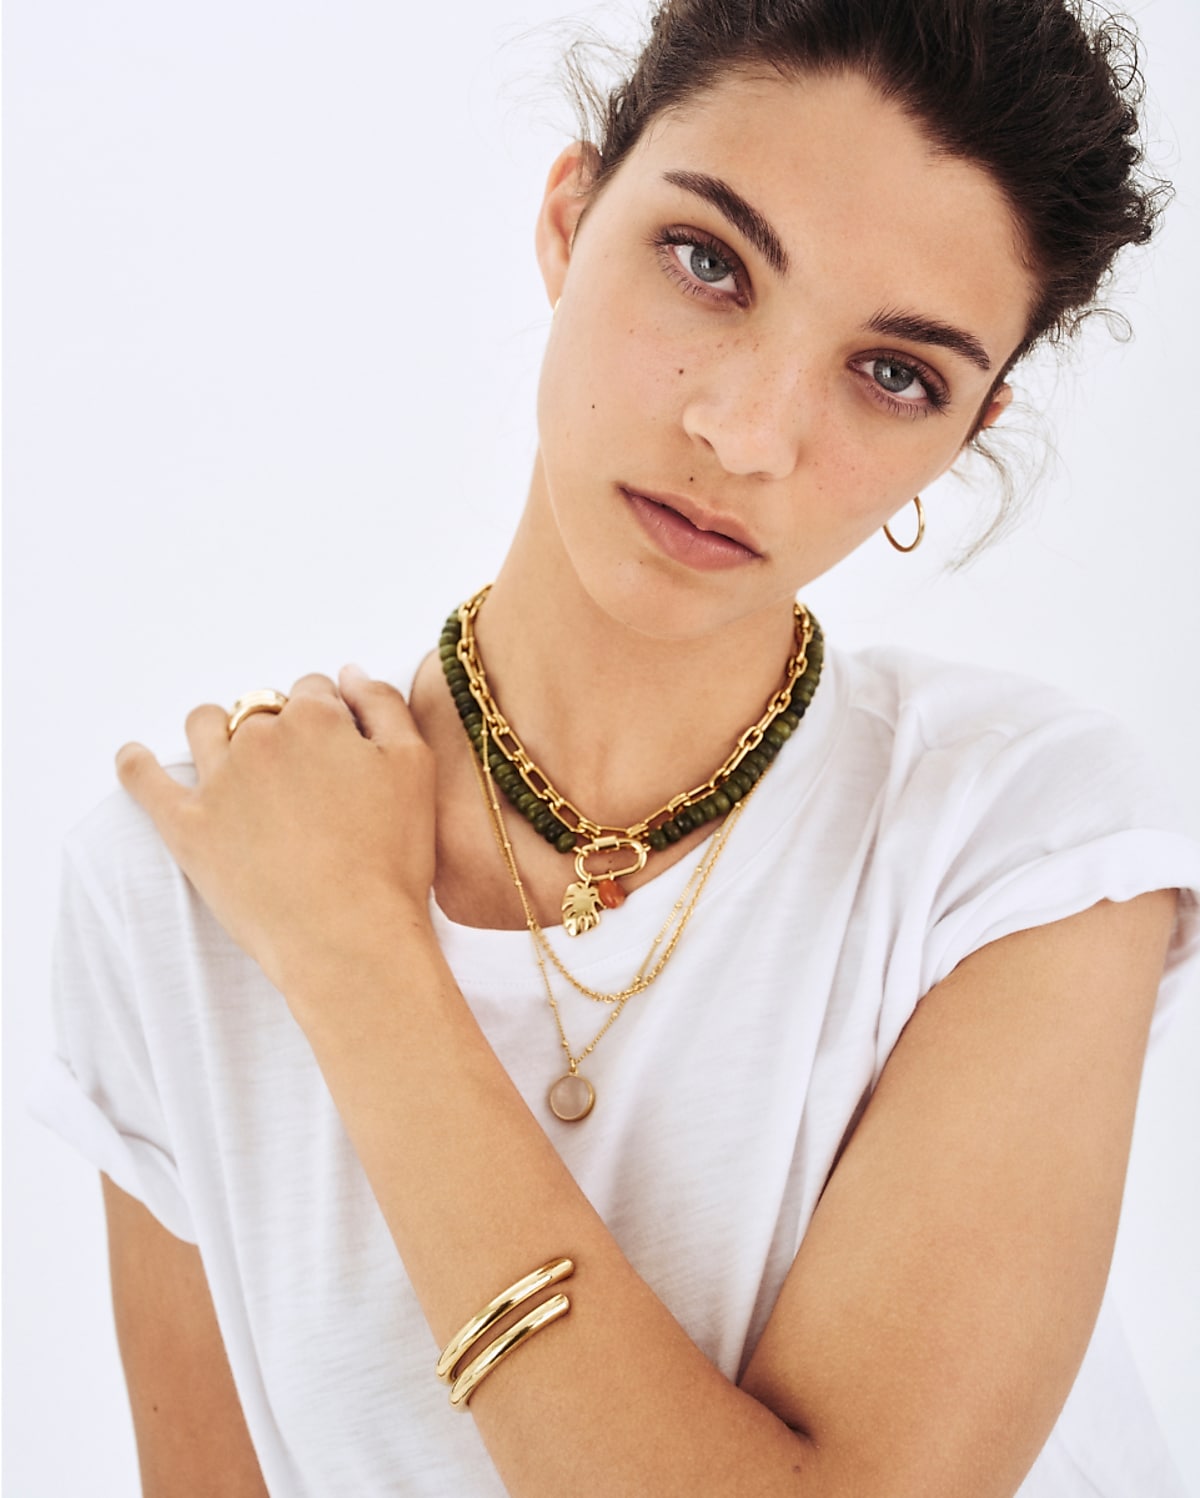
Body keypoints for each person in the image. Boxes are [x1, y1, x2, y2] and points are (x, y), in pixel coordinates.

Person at [29, 0, 1200, 1493]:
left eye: (894, 372)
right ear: (571, 218)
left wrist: (357, 955)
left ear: (966, 432)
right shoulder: (179, 880)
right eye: (710, 264)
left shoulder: (1026, 843)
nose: (749, 431)